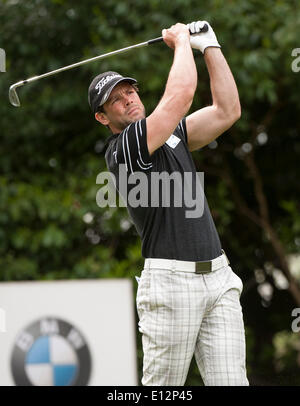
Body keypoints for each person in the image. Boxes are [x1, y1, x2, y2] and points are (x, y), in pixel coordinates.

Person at [88, 20, 249, 386]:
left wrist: (209, 46)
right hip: (171, 283)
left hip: (220, 278)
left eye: (129, 91)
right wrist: (180, 43)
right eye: (115, 99)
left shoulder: (173, 133)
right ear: (103, 117)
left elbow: (227, 111)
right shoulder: (124, 148)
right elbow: (180, 97)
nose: (127, 99)